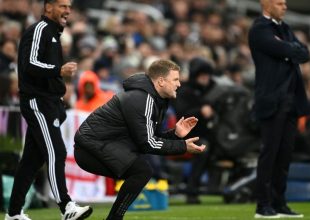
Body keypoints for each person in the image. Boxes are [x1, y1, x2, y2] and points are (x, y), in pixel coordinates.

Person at [73, 59, 206, 220]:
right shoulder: (142, 99)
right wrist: (183, 146)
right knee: (141, 170)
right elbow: (148, 144)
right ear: (161, 81)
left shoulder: (154, 99)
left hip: (102, 144)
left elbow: (147, 140)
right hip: (90, 147)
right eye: (175, 80)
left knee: (141, 170)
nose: (179, 84)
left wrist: (175, 134)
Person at [5, 1, 93, 220]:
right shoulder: (40, 30)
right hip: (38, 101)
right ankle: (67, 207)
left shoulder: (52, 33)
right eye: (62, 5)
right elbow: (28, 64)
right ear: (48, 8)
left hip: (50, 103)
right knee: (56, 152)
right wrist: (59, 70)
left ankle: (14, 214)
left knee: (31, 162)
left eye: (70, 6)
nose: (68, 10)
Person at [248, 0, 310, 218]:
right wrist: (290, 50)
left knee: (284, 156)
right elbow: (286, 49)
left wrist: (289, 50)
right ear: (266, 4)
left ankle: (279, 202)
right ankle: (262, 205)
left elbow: (305, 53)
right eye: (279, 2)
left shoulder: (284, 29)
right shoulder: (259, 29)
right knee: (270, 154)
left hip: (291, 100)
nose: (285, 6)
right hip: (273, 100)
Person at [173, 57, 217, 204]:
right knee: (203, 149)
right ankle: (192, 190)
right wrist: (200, 110)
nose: (205, 78)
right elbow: (181, 113)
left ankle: (213, 186)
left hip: (206, 133)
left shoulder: (211, 90)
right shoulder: (185, 91)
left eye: (207, 74)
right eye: (202, 75)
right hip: (189, 135)